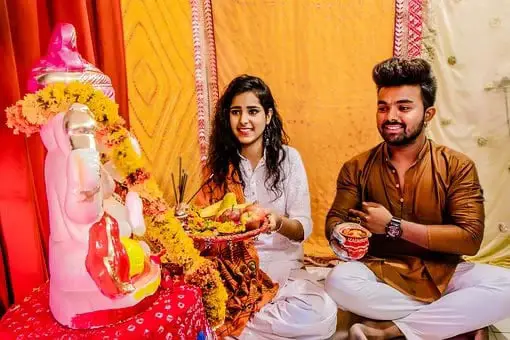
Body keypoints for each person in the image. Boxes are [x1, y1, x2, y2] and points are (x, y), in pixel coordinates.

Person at [324, 57, 510, 340]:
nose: (391, 116)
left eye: (404, 107)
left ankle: (388, 330)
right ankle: (455, 316)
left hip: (446, 274)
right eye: (383, 107)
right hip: (381, 272)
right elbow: (334, 220)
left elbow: (470, 239)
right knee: (338, 282)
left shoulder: (457, 166)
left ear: (429, 113)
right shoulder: (357, 167)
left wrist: (392, 226)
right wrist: (340, 232)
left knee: (507, 286)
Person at [200, 75, 337, 339]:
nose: (243, 121)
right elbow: (207, 230)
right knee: (197, 298)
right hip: (234, 271)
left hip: (283, 266)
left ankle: (234, 329)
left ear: (268, 115)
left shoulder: (289, 160)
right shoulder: (216, 168)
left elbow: (303, 228)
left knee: (323, 315)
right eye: (236, 112)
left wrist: (278, 222)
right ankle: (241, 323)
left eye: (253, 111)